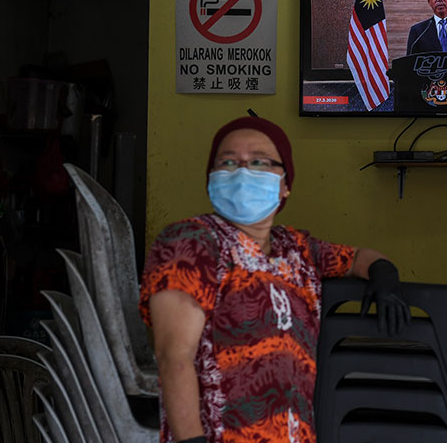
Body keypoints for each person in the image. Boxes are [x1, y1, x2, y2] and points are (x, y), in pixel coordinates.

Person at [139, 115, 410, 443]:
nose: (241, 171)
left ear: (285, 184)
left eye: (259, 161)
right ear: (210, 177)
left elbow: (357, 258)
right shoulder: (190, 242)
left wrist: (384, 277)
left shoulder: (296, 247)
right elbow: (174, 356)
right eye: (227, 161)